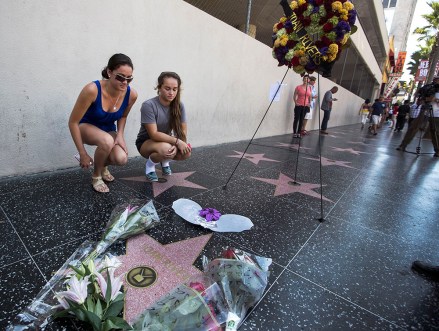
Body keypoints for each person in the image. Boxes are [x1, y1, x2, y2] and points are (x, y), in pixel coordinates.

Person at [68, 53, 138, 193]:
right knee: (106, 141)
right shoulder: (92, 90)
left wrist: (120, 136)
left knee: (121, 158)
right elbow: (73, 122)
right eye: (120, 77)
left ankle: (103, 166)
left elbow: (123, 116)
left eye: (129, 79)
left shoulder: (131, 94)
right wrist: (82, 153)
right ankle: (96, 176)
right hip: (85, 127)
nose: (125, 82)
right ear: (109, 72)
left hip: (108, 130)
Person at [135, 72, 192, 181]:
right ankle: (150, 165)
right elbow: (154, 134)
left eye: (175, 89)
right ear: (159, 87)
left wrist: (177, 144)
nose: (171, 93)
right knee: (166, 149)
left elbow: (183, 131)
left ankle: (165, 161)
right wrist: (177, 142)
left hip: (167, 140)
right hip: (146, 142)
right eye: (167, 88)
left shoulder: (179, 106)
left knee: (186, 152)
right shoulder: (149, 105)